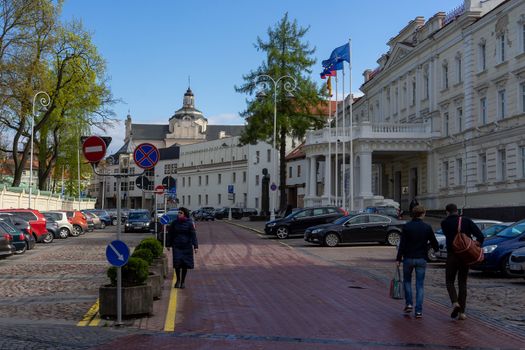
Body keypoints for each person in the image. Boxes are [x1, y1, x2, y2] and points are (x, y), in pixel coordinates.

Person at [441, 203, 484, 320]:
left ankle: (455, 302)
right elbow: (480, 236)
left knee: (449, 281)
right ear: (457, 211)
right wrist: (474, 245)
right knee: (462, 283)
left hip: (451, 255)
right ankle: (462, 313)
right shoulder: (466, 221)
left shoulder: (444, 223)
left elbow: (448, 236)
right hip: (465, 256)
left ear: (447, 212)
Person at [396, 205, 438, 318]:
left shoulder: (407, 227)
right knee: (420, 285)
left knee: (407, 282)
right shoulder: (427, 227)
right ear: (423, 214)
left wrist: (398, 258)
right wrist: (434, 249)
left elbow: (402, 244)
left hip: (408, 258)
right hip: (421, 258)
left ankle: (409, 303)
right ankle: (418, 310)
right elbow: (434, 243)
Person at [166, 207, 198, 289]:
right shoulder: (174, 223)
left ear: (184, 214)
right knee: (177, 264)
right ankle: (178, 280)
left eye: (180, 213)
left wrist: (195, 246)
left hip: (187, 246)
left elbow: (193, 235)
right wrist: (168, 244)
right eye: (178, 212)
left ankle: (183, 281)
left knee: (184, 264)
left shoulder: (189, 223)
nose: (179, 214)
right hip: (176, 246)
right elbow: (170, 234)